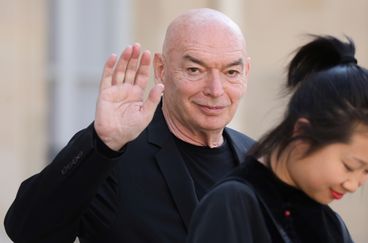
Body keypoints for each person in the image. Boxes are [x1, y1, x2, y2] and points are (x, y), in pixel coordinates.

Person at [4, 8, 254, 243]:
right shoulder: (110, 157)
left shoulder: (261, 161)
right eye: (195, 69)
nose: (215, 90)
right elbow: (28, 230)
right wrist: (103, 144)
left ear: (246, 72)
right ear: (161, 69)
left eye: (231, 72)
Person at [187, 35, 368, 243]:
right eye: (350, 165)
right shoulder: (233, 204)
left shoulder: (330, 223)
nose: (353, 185)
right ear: (302, 133)